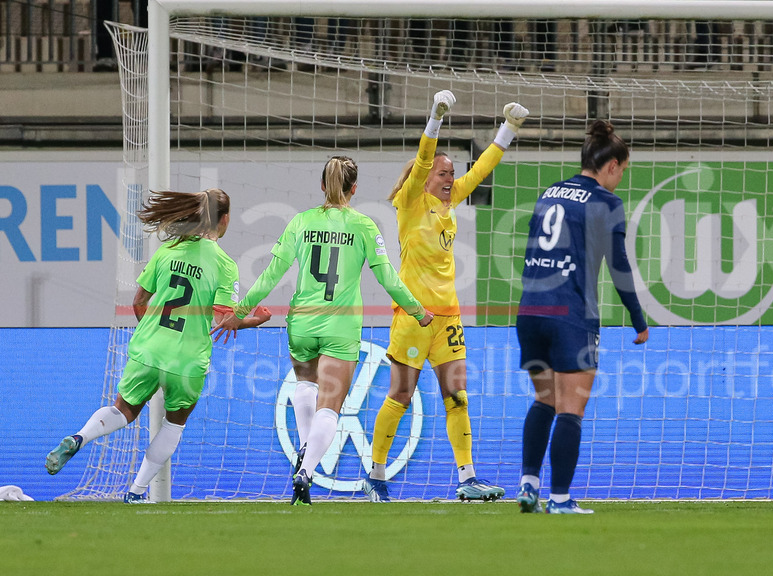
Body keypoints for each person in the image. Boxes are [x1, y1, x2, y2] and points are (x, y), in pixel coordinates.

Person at [212, 156, 433, 506]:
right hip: (339, 325)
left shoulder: (300, 222)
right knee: (330, 406)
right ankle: (307, 470)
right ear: (354, 189)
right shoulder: (363, 226)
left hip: (301, 322)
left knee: (304, 386)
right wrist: (418, 311)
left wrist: (240, 311)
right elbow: (388, 277)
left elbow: (271, 275)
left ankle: (304, 448)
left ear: (321, 186)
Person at [45, 189, 272, 502]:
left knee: (123, 409)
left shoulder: (167, 251)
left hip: (149, 349)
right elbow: (224, 319)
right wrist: (253, 318)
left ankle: (80, 437)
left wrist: (152, 336)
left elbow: (139, 301)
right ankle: (136, 492)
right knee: (174, 424)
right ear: (225, 219)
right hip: (188, 359)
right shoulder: (224, 264)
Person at [362, 90, 529, 503]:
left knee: (457, 396)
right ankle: (375, 475)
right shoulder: (410, 203)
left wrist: (508, 128)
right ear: (425, 178)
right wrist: (435, 120)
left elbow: (482, 169)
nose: (450, 177)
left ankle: (468, 478)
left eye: (452, 172)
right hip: (413, 317)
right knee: (400, 395)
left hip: (448, 318)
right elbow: (422, 160)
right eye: (443, 172)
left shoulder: (449, 202)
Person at [515, 120, 649, 515]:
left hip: (531, 311)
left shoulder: (550, 192)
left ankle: (528, 485)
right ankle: (559, 500)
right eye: (623, 170)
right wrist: (639, 321)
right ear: (611, 166)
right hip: (571, 314)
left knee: (544, 398)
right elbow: (620, 268)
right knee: (570, 408)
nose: (621, 177)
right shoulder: (606, 203)